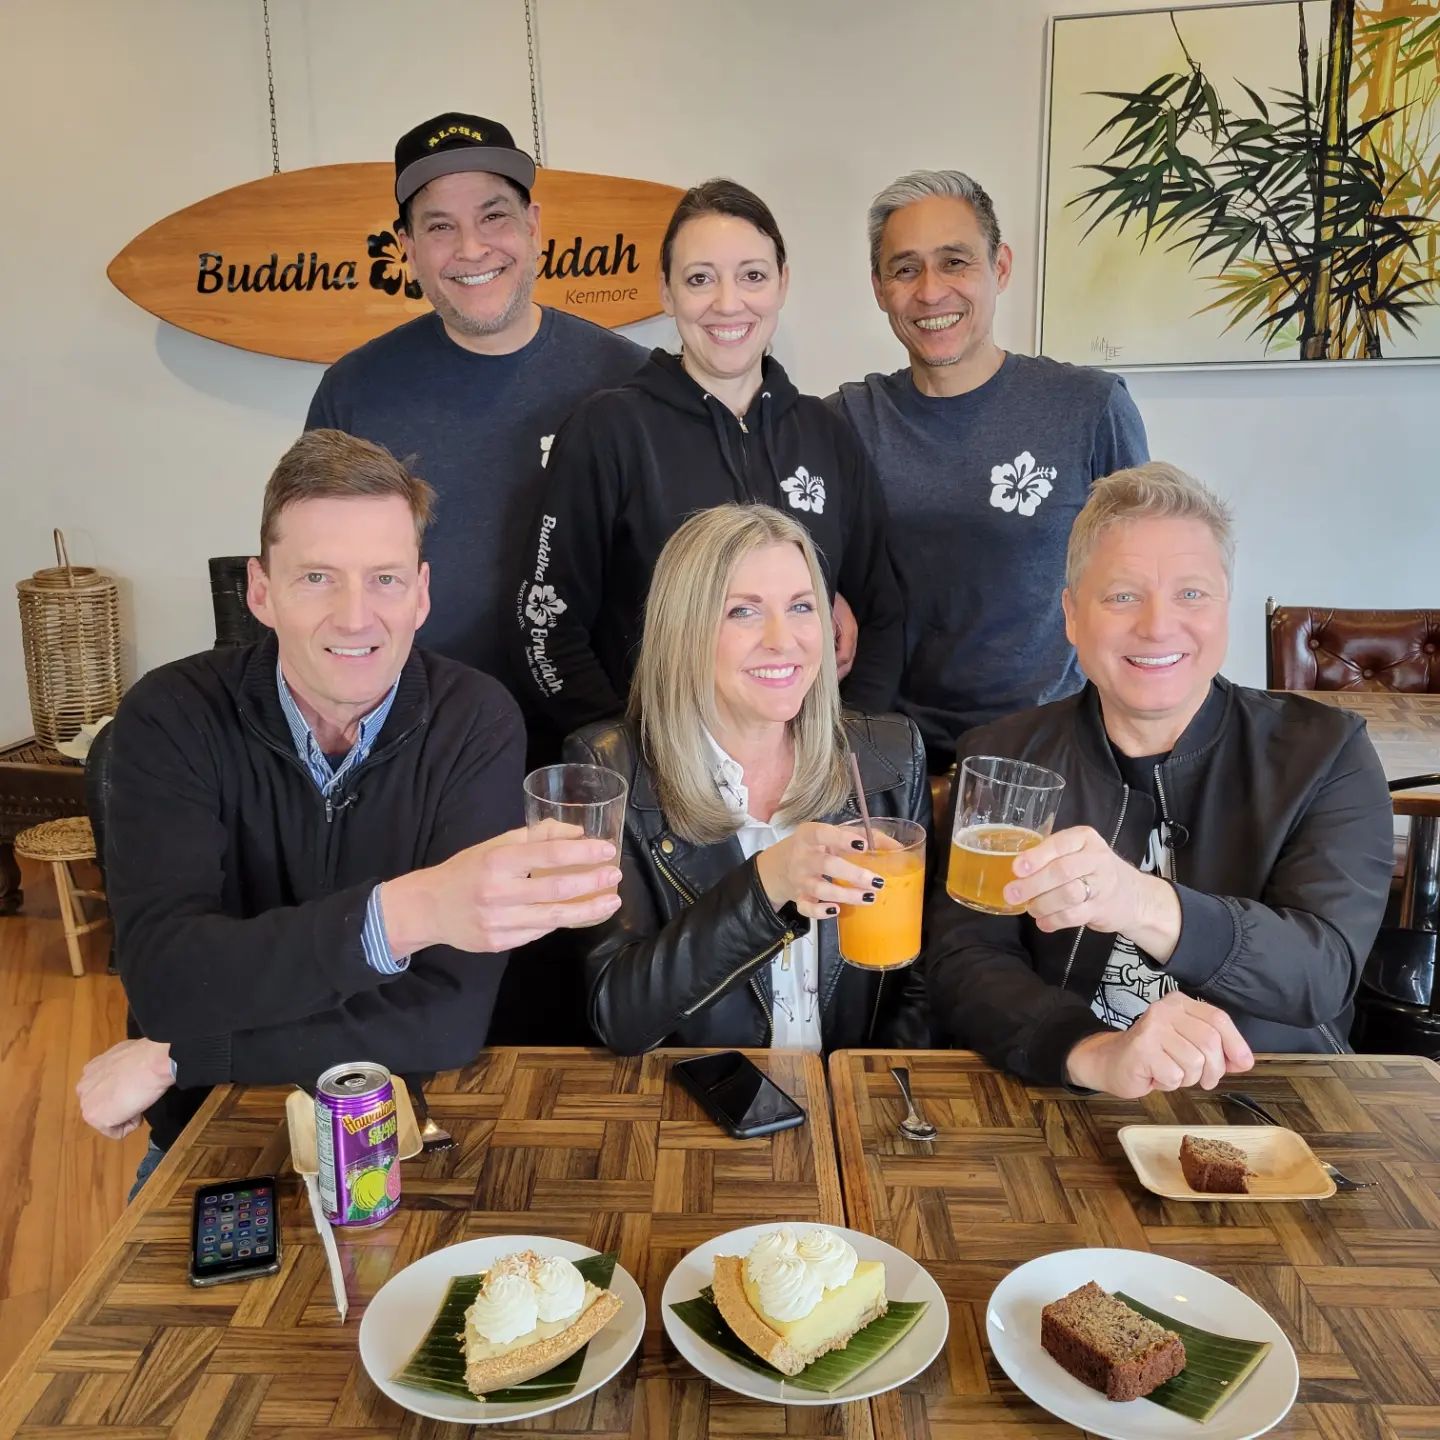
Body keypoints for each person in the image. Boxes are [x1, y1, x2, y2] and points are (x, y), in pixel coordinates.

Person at [76, 430, 623, 1186]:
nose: (356, 616)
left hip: (402, 1127)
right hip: (214, 1134)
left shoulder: (476, 720)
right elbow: (170, 982)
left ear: (421, 593)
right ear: (260, 591)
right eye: (317, 578)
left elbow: (446, 1024)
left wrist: (181, 1056)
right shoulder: (170, 716)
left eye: (385, 580)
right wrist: (410, 913)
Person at [925, 463, 1394, 1098]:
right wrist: (1090, 1052)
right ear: (1071, 616)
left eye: (1191, 594)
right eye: (1122, 596)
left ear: (1225, 607)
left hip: (1269, 1097)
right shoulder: (1003, 754)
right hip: (1062, 1094)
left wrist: (1140, 901)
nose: (1156, 625)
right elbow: (966, 961)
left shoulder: (1325, 753)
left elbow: (1321, 971)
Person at [513, 179, 903, 751]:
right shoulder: (609, 431)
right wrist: (633, 756)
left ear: (782, 282)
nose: (727, 303)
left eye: (752, 275)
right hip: (657, 774)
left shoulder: (828, 435)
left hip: (809, 778)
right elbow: (545, 623)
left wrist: (847, 747)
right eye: (699, 279)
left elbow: (885, 614)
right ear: (666, 292)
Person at [305, 112, 645, 700]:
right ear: (408, 248)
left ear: (533, 226)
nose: (471, 247)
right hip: (418, 729)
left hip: (605, 724)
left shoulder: (629, 380)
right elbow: (318, 574)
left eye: (493, 216)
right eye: (440, 226)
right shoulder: (353, 392)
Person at [568, 503, 929, 1054]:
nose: (783, 639)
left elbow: (925, 981)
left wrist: (875, 1086)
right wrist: (767, 884)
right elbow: (619, 1014)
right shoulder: (608, 770)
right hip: (698, 1097)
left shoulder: (893, 754)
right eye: (743, 612)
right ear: (683, 631)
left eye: (802, 606)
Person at [831, 170, 1150, 772]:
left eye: (955, 262)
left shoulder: (1088, 407)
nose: (931, 291)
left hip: (1049, 753)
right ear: (879, 288)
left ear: (999, 268)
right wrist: (824, 592)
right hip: (885, 756)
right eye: (905, 269)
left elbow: (1140, 578)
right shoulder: (847, 419)